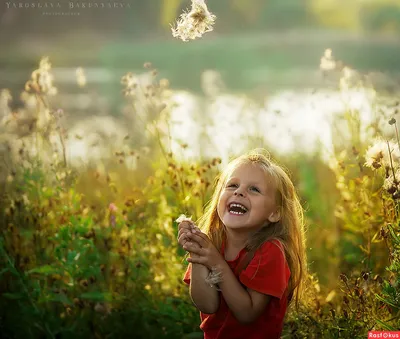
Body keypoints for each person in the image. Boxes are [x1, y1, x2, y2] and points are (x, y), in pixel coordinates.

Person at [177, 149, 308, 339]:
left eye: (254, 189)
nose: (238, 192)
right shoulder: (213, 242)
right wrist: (197, 255)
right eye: (232, 185)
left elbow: (247, 313)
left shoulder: (271, 251)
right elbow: (207, 305)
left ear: (274, 213)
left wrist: (216, 263)